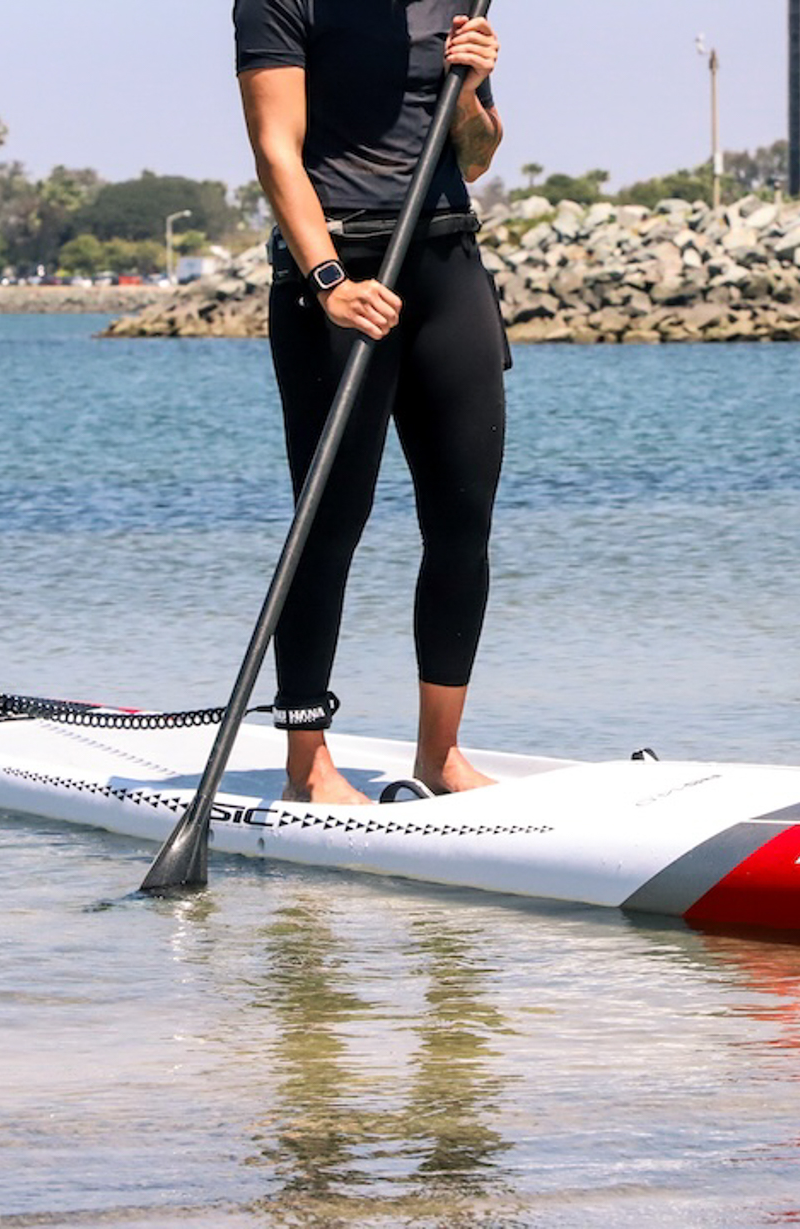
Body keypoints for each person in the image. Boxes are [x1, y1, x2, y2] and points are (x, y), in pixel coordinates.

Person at [233, 1, 507, 805]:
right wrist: (328, 283)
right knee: (329, 523)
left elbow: (479, 156)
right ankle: (308, 766)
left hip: (448, 260)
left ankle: (440, 755)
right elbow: (275, 148)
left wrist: (473, 87)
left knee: (463, 517)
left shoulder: (460, 5)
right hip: (339, 270)